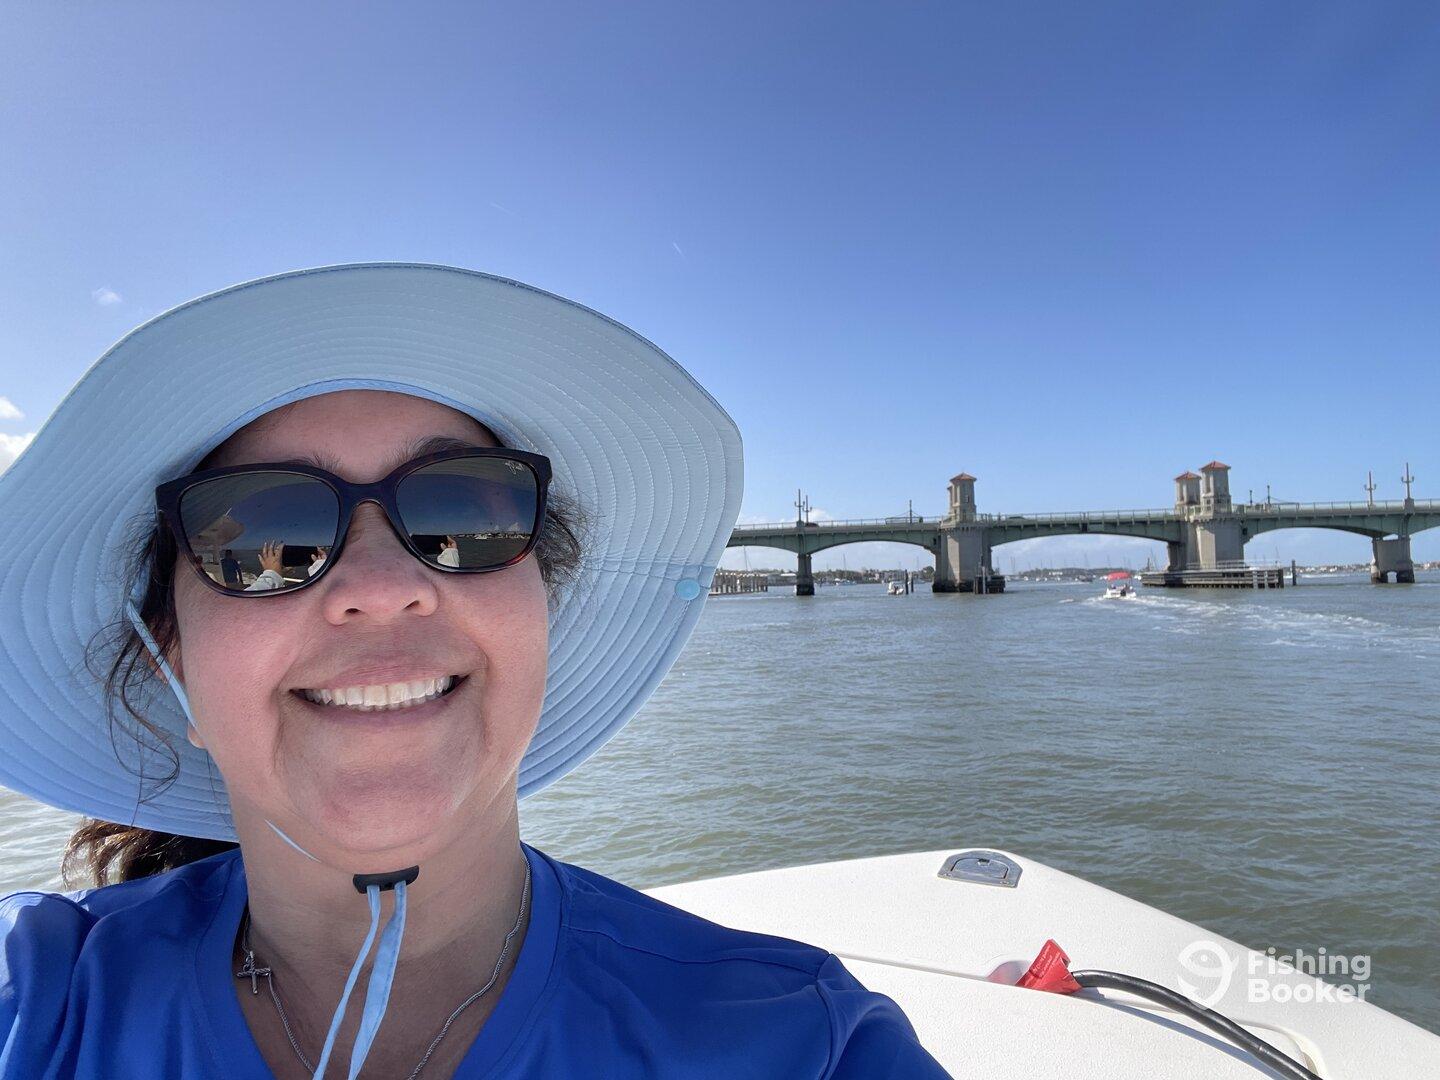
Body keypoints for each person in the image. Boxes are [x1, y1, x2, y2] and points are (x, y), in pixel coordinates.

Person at [0, 264, 951, 1078]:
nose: (382, 588)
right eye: (263, 534)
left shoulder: (800, 1048)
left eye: (464, 513)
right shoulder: (33, 1004)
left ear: (542, 613)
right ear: (173, 663)